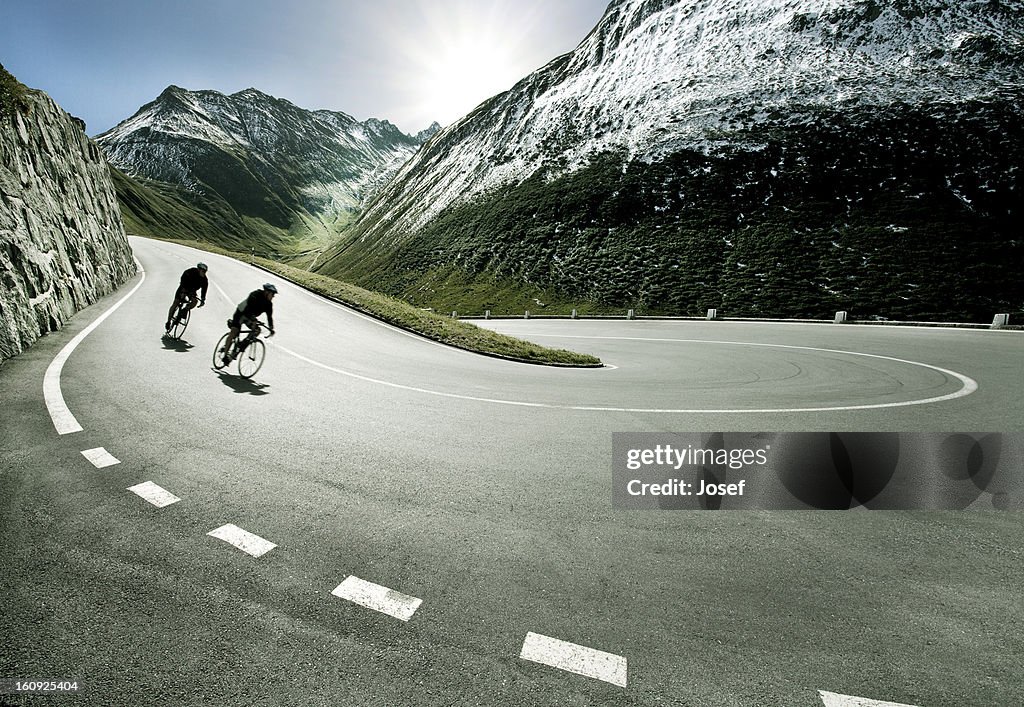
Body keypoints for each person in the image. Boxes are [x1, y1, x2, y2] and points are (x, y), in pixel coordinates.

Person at [221, 283, 277, 362]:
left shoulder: (269, 304)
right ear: (266, 292)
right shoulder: (255, 295)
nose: (273, 296)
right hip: (241, 313)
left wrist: (271, 328)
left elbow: (269, 317)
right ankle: (225, 355)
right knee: (234, 332)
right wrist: (253, 319)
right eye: (272, 294)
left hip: (250, 318)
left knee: (257, 330)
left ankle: (241, 346)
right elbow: (248, 308)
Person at [166, 262, 209, 331]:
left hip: (192, 291)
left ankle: (184, 311)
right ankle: (168, 321)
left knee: (195, 301)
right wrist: (183, 291)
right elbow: (183, 279)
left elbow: (204, 290)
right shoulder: (191, 271)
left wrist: (203, 300)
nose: (204, 273)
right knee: (176, 303)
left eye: (205, 272)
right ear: (198, 269)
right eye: (203, 271)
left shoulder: (204, 280)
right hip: (183, 287)